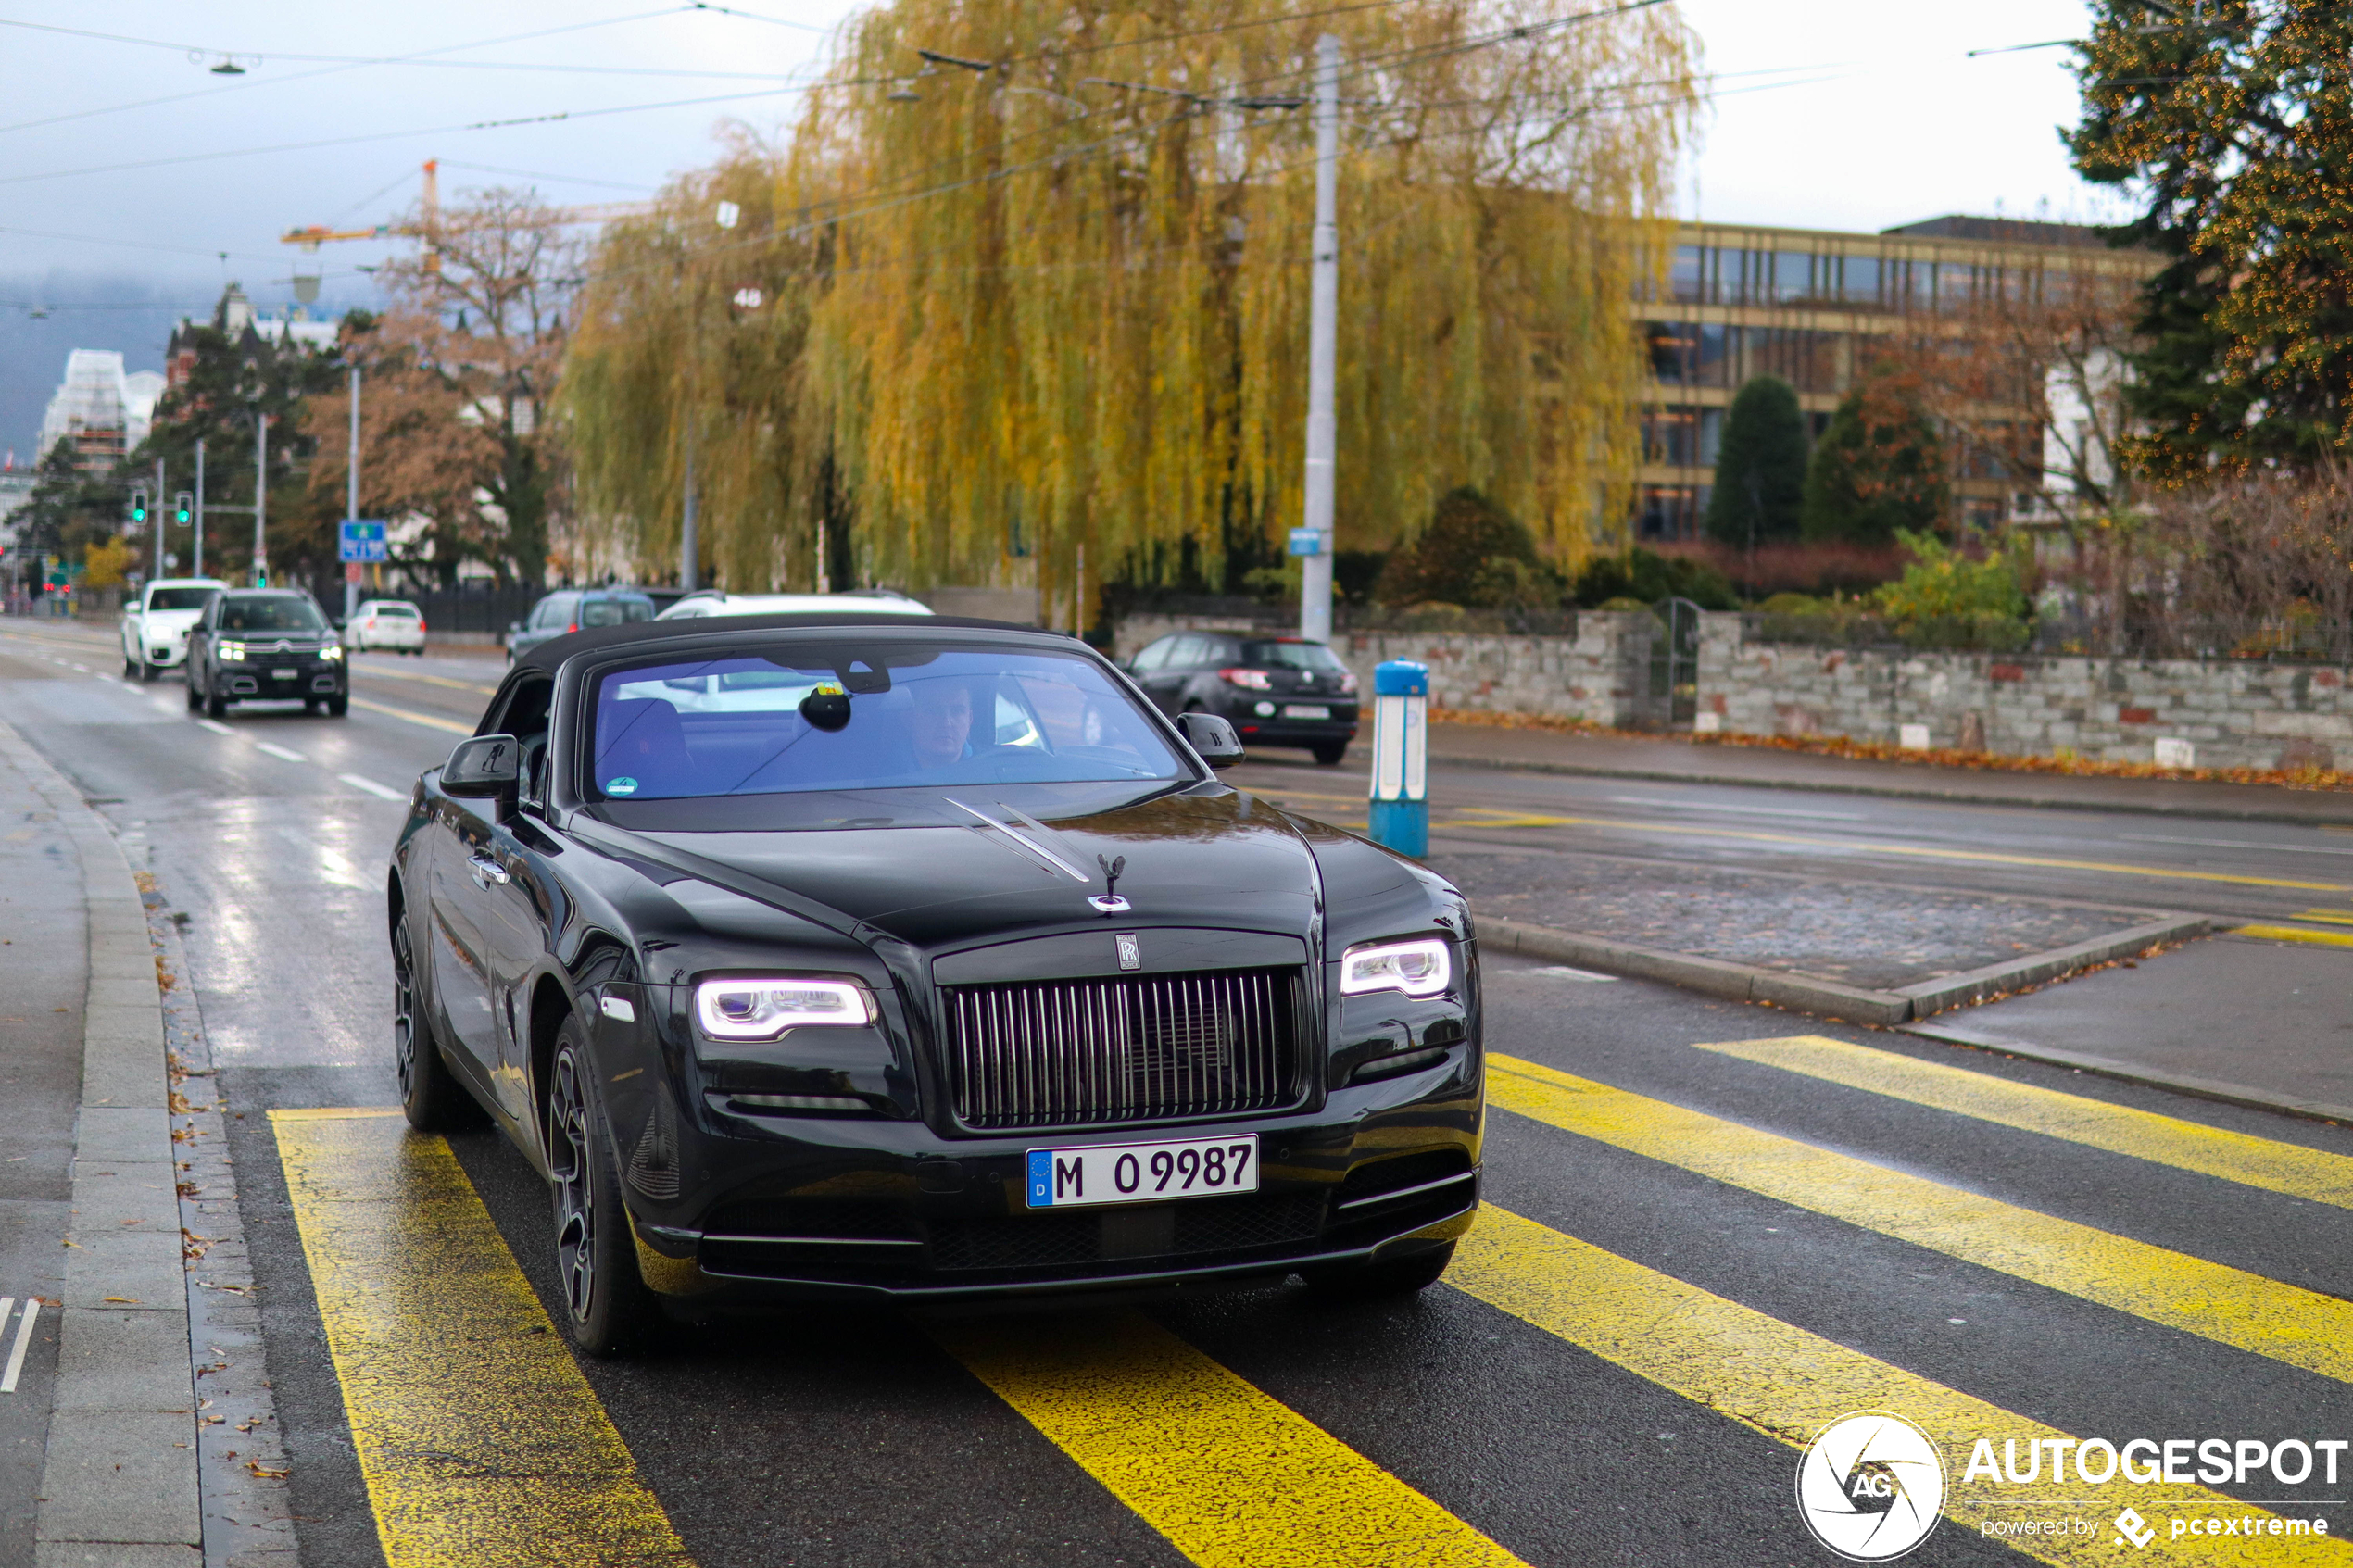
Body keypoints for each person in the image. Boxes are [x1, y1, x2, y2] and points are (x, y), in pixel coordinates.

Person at [908, 677, 975, 771]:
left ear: (970, 719)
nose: (946, 723)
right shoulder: (883, 772)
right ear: (910, 718)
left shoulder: (990, 768)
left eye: (957, 711)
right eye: (933, 711)